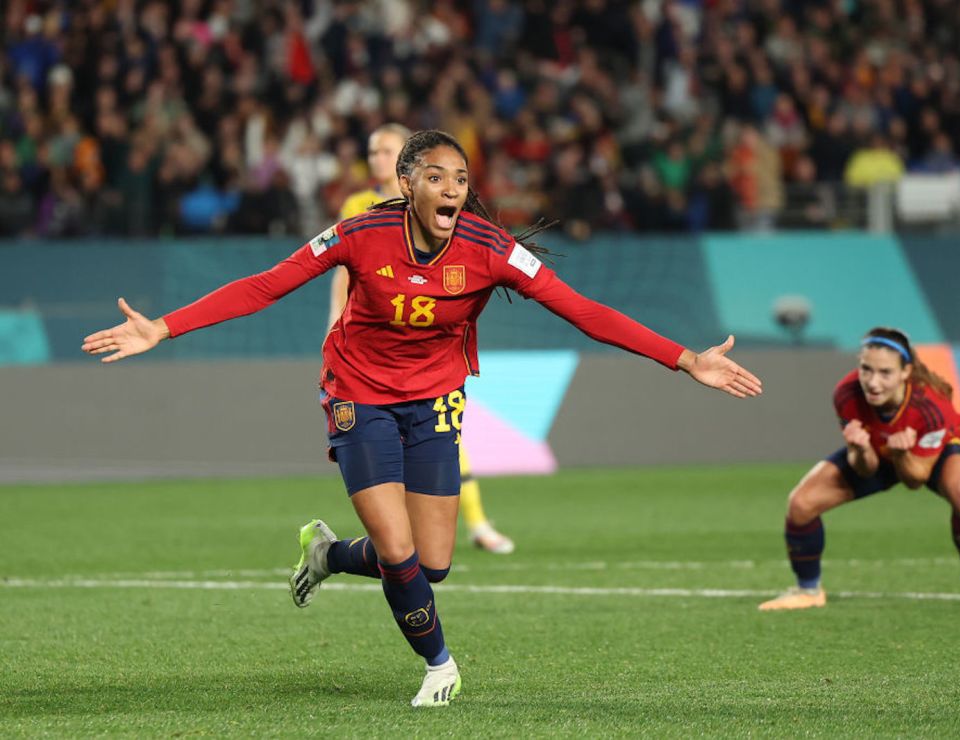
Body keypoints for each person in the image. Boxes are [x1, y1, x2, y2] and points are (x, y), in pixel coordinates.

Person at [82, 129, 764, 707]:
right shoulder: (358, 233)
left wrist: (685, 359)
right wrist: (163, 328)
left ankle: (327, 553)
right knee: (400, 548)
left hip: (435, 401)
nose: (452, 189)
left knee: (430, 564)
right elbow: (266, 284)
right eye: (436, 176)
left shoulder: (490, 249)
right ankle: (441, 664)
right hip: (358, 395)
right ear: (408, 183)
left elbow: (584, 310)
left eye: (461, 178)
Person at [335, 123, 515, 554]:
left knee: (444, 442)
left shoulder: (467, 234)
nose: (377, 158)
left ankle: (476, 523)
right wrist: (335, 322)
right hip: (369, 362)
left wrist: (680, 359)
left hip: (431, 360)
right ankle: (392, 542)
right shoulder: (359, 208)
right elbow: (344, 271)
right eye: (373, 152)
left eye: (387, 150)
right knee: (399, 545)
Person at [758, 327, 960, 612]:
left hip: (943, 447)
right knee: (801, 503)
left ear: (905, 372)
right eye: (866, 369)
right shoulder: (847, 394)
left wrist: (901, 454)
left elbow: (915, 480)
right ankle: (808, 590)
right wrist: (860, 449)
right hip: (884, 450)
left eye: (885, 373)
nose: (873, 382)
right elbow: (865, 470)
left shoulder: (930, 406)